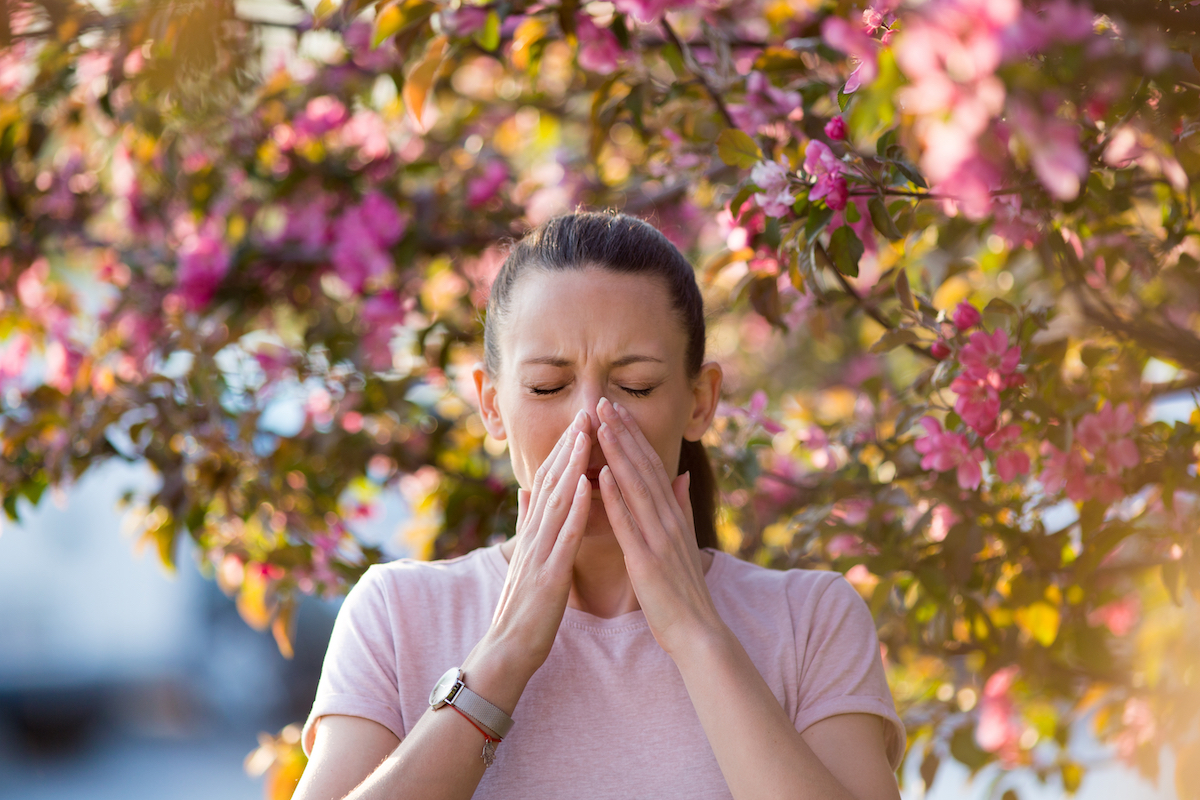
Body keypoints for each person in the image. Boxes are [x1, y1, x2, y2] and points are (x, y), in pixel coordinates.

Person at [293, 211, 905, 800]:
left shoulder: (811, 621)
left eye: (635, 386)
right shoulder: (396, 616)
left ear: (699, 401)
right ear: (491, 404)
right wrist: (502, 657)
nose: (588, 419)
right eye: (547, 387)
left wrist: (697, 635)